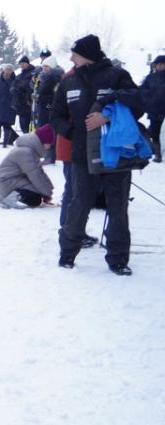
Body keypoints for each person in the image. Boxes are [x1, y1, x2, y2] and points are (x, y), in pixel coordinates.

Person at [52, 34, 144, 274]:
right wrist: (71, 132)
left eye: (75, 54)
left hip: (116, 154)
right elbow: (55, 115)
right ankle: (67, 253)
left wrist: (108, 116)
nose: (71, 59)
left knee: (117, 207)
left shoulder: (117, 76)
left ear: (88, 55)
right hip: (81, 155)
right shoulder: (68, 82)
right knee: (79, 204)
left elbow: (138, 104)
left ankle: (118, 259)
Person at [0, 125, 55, 208]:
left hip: (9, 179)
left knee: (37, 192)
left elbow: (39, 173)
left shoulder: (30, 150)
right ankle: (7, 198)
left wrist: (49, 189)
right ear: (42, 141)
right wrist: (46, 193)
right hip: (3, 181)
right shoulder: (26, 153)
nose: (49, 147)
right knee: (35, 199)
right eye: (49, 144)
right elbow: (35, 176)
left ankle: (6, 196)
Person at [140, 55, 165, 163]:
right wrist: (148, 101)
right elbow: (142, 91)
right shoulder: (150, 78)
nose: (159, 66)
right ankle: (157, 155)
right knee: (155, 133)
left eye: (162, 64)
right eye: (157, 64)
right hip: (155, 110)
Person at [0, 64, 19, 147]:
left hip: (10, 106)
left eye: (10, 70)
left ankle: (6, 141)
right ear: (3, 70)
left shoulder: (15, 81)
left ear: (12, 71)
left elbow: (18, 93)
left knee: (7, 124)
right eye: (6, 70)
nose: (7, 72)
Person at [12, 55, 35, 133]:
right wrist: (14, 90)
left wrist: (19, 88)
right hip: (20, 104)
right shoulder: (19, 76)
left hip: (28, 103)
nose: (22, 65)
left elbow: (27, 86)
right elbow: (13, 87)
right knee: (23, 126)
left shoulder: (33, 73)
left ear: (27, 63)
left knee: (28, 126)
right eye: (20, 64)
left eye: (23, 63)